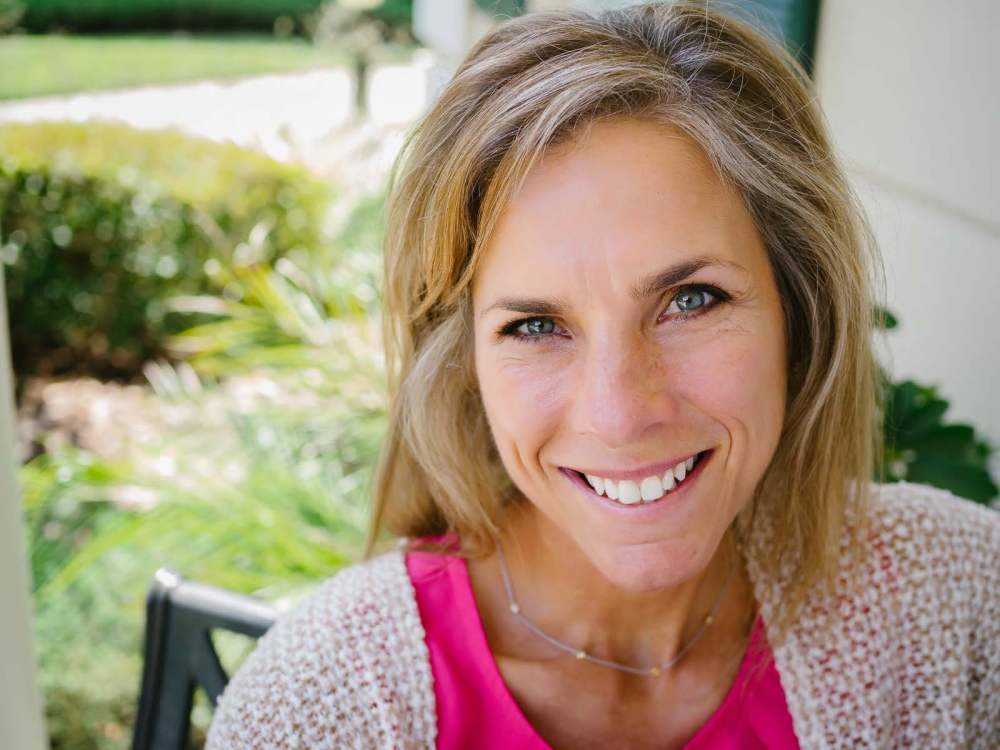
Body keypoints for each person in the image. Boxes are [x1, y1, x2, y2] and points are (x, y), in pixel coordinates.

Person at [206, 2, 1000, 748]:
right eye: (536, 326)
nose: (620, 413)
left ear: (800, 309)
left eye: (690, 300)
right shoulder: (322, 706)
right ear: (465, 360)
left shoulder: (955, 599)